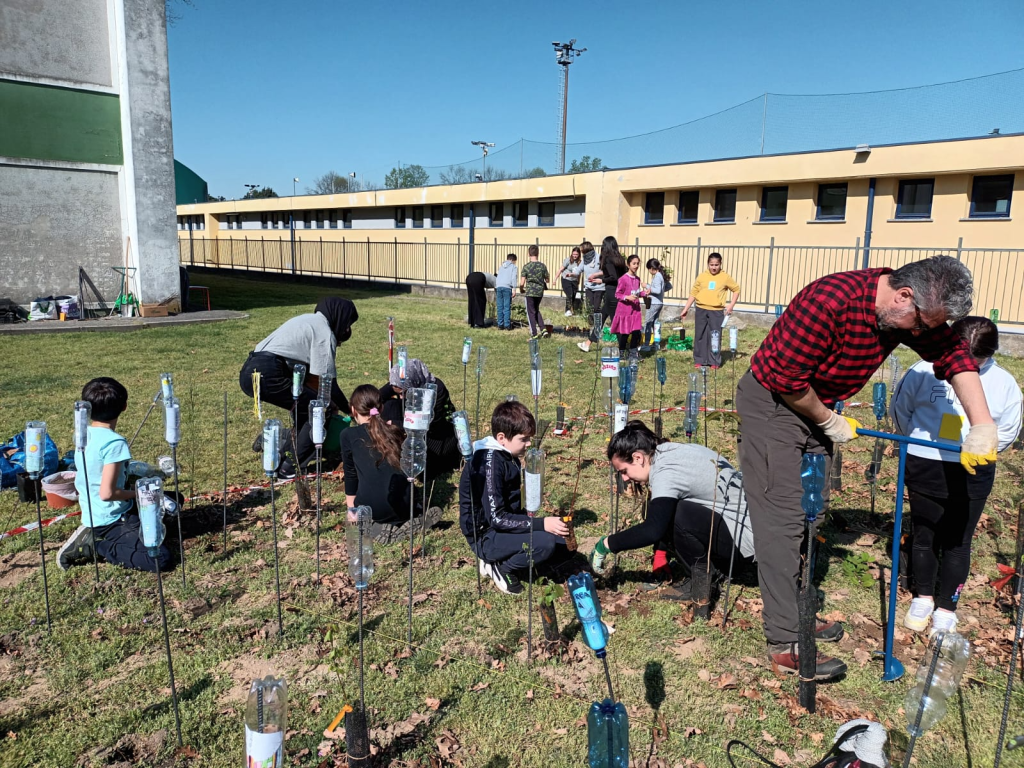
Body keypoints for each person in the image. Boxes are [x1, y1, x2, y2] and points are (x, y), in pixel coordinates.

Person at [737, 255, 998, 681]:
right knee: (781, 517)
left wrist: (982, 423)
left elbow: (953, 356)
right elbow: (786, 380)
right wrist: (826, 420)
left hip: (815, 401)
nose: (920, 335)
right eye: (920, 325)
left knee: (811, 512)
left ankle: (798, 610)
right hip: (775, 403)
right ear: (903, 295)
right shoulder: (828, 302)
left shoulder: (910, 314)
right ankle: (785, 640)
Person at [891, 316, 1021, 635]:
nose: (968, 366)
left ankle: (947, 607)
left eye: (976, 360)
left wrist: (982, 448)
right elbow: (901, 409)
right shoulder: (923, 370)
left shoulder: (1004, 384)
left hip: (972, 467)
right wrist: (923, 442)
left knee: (958, 540)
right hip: (926, 461)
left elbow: (1008, 430)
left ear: (990, 353)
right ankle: (922, 597)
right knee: (924, 533)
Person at [58, 377, 182, 572]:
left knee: (175, 499)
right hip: (109, 519)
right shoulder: (115, 444)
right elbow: (107, 493)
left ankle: (130, 530)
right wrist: (137, 493)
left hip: (100, 508)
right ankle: (96, 544)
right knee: (161, 560)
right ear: (124, 406)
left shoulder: (84, 433)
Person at [458, 401, 570, 594]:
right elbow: (497, 518)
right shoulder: (490, 463)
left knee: (565, 546)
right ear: (502, 437)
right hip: (486, 535)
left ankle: (512, 555)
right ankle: (500, 566)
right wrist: (542, 524)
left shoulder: (507, 454)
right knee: (546, 543)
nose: (528, 444)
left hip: (505, 527)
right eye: (524, 439)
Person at [240, 297, 357, 476]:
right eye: (348, 324)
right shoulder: (323, 332)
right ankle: (290, 467)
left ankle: (279, 454)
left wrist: (327, 400)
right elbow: (328, 382)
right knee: (318, 412)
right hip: (269, 373)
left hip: (251, 371)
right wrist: (350, 410)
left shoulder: (307, 321)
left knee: (305, 410)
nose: (347, 329)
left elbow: (312, 380)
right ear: (341, 317)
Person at [341, 385, 442, 542]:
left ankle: (372, 527)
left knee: (362, 516)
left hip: (371, 508)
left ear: (353, 410)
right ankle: (415, 515)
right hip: (405, 504)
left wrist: (351, 509)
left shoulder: (348, 435)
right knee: (413, 493)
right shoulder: (395, 430)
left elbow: (350, 475)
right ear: (381, 408)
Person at [378, 358, 462, 480]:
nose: (401, 397)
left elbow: (430, 424)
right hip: (413, 422)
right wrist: (372, 412)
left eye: (403, 393)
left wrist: (397, 424)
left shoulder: (437, 390)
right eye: (398, 393)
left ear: (413, 383)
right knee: (389, 405)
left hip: (437, 435)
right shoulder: (400, 381)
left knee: (424, 473)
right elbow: (377, 396)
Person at [681, 253, 740, 368]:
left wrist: (731, 305)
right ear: (708, 264)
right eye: (711, 264)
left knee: (715, 335)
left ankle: (714, 361)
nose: (713, 267)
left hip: (716, 311)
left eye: (716, 265)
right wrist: (686, 308)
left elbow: (736, 289)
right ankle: (700, 359)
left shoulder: (725, 277)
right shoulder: (702, 276)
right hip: (701, 309)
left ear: (720, 264)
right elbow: (694, 292)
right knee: (700, 335)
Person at [577, 237, 627, 354]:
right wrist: (597, 275)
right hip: (618, 291)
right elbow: (616, 274)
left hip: (611, 293)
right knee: (602, 317)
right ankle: (588, 343)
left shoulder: (608, 259)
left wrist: (601, 281)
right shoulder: (619, 259)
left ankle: (624, 349)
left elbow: (612, 277)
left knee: (616, 322)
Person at [611, 255, 646, 358]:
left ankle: (633, 352)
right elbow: (617, 294)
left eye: (637, 263)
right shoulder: (623, 279)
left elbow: (637, 293)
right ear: (628, 264)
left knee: (636, 331)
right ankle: (621, 352)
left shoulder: (637, 279)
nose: (636, 266)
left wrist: (644, 293)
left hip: (635, 310)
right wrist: (627, 297)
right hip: (625, 310)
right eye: (634, 263)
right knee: (625, 333)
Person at [520, 245, 549, 338]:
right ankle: (543, 329)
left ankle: (534, 333)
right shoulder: (542, 266)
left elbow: (522, 282)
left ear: (528, 254)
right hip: (540, 292)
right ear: (538, 254)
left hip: (530, 292)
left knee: (530, 312)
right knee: (536, 310)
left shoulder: (526, 267)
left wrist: (521, 289)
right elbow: (547, 280)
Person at [642, 259, 669, 351]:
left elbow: (657, 290)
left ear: (652, 268)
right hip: (659, 302)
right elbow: (668, 286)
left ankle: (646, 344)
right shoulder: (661, 275)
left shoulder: (657, 276)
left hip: (653, 303)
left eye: (648, 269)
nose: (649, 271)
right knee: (655, 324)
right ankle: (656, 344)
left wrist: (647, 286)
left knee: (648, 323)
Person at [580, 240, 604, 330]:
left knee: (596, 307)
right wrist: (573, 274)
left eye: (582, 250)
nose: (581, 252)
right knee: (589, 306)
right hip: (589, 286)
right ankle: (591, 325)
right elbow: (579, 269)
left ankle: (598, 325)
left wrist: (595, 275)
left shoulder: (599, 258)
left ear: (586, 250)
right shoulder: (585, 260)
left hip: (599, 286)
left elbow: (605, 271)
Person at [554, 246, 584, 317]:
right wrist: (555, 279)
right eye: (573, 254)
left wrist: (578, 282)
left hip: (574, 281)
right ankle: (567, 310)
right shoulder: (568, 260)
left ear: (579, 254)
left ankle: (571, 310)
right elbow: (560, 270)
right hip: (566, 279)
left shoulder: (580, 262)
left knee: (573, 295)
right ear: (571, 254)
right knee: (569, 294)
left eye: (576, 254)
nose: (575, 256)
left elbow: (579, 273)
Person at [495, 254, 518, 331]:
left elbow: (497, 276)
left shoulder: (501, 266)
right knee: (507, 307)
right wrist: (514, 288)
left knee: (500, 306)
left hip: (498, 287)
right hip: (507, 287)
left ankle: (500, 324)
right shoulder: (513, 267)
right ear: (513, 260)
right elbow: (513, 278)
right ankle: (507, 325)